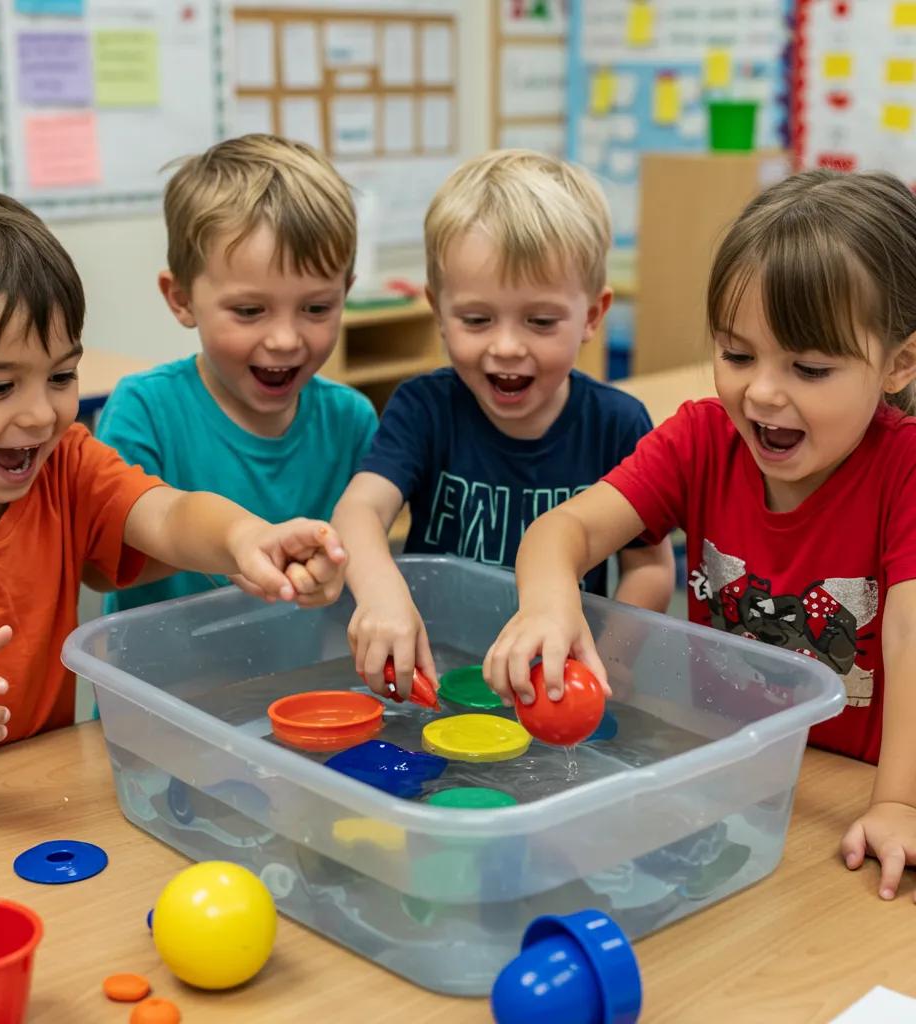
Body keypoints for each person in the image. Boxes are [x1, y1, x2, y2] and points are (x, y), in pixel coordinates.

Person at [485, 169, 916, 901]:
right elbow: (564, 529)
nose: (763, 392)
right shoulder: (700, 441)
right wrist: (550, 603)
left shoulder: (902, 468)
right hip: (728, 776)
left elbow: (909, 633)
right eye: (737, 354)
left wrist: (899, 804)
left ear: (900, 362)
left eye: (809, 367)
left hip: (852, 791)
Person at [0, 187, 346, 768]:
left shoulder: (66, 465)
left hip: (34, 790)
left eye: (61, 376)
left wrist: (245, 538)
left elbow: (166, 513)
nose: (41, 414)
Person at [333, 150, 674, 697]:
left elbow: (650, 567)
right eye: (476, 319)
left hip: (555, 683)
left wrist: (609, 655)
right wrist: (380, 593)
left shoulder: (617, 422)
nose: (507, 347)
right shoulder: (424, 408)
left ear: (592, 314)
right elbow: (359, 510)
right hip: (438, 675)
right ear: (437, 311)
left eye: (540, 321)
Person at [95, 134, 376, 612]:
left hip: (300, 679)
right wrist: (232, 546)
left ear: (345, 293)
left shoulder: (351, 420)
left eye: (316, 307)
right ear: (181, 298)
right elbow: (102, 568)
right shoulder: (145, 410)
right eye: (249, 310)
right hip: (160, 680)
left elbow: (363, 553)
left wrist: (335, 567)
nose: (286, 339)